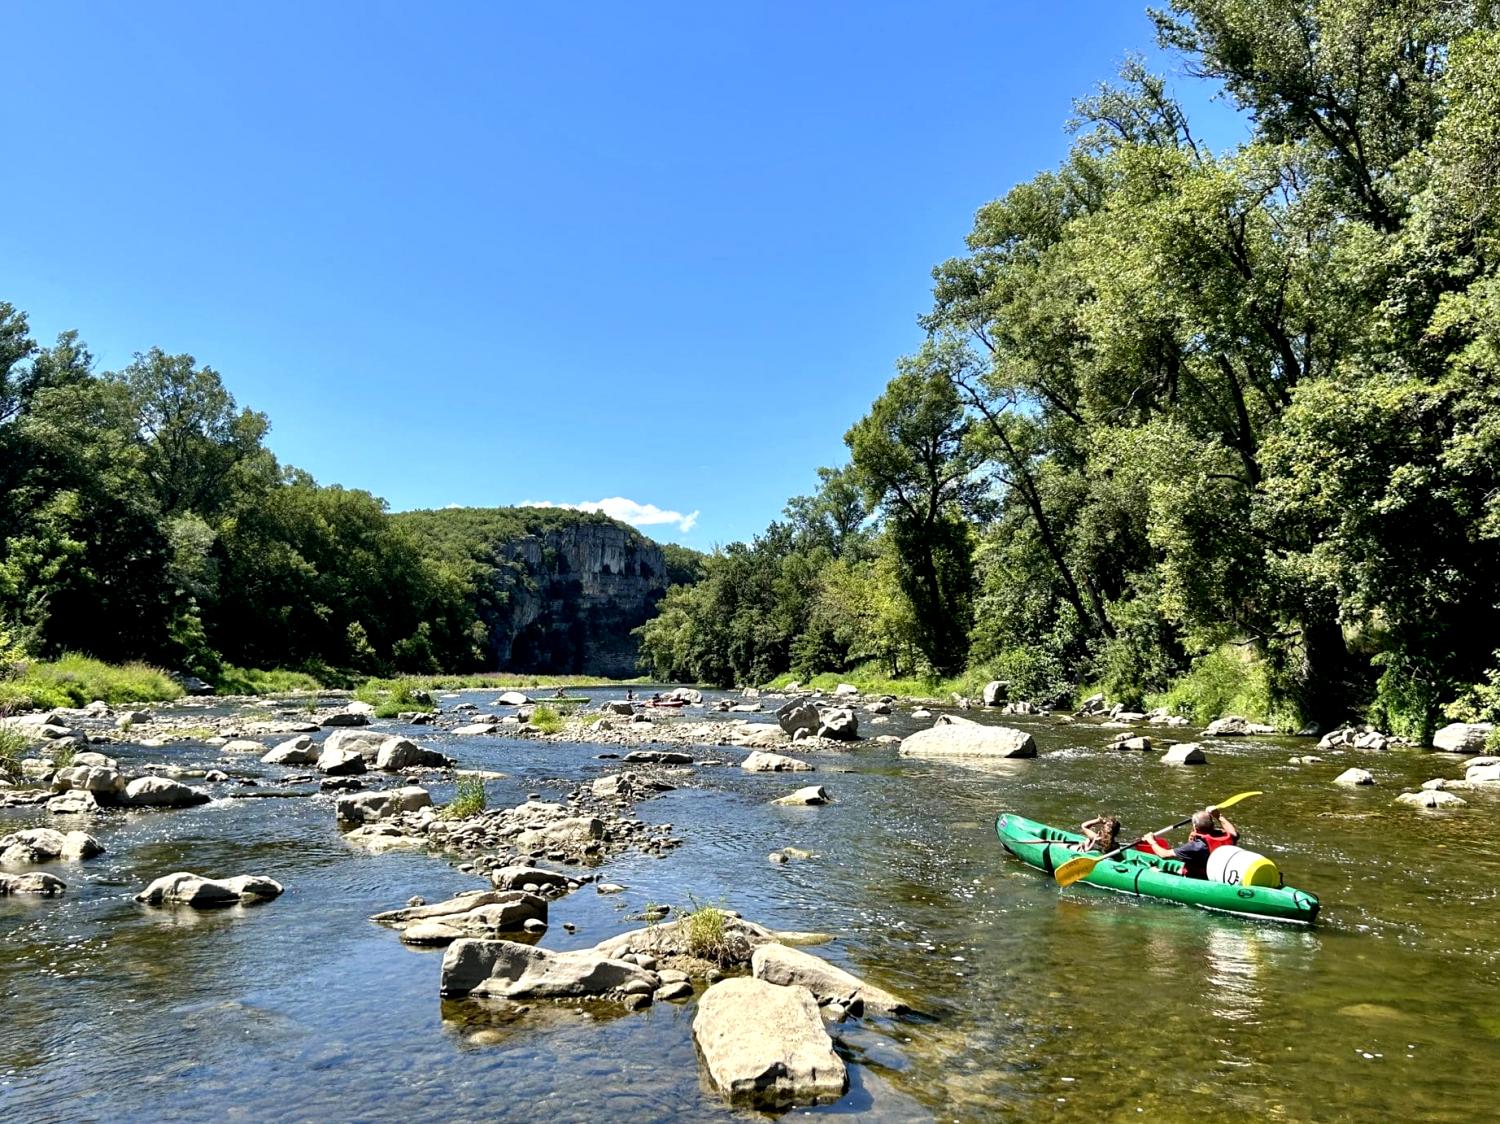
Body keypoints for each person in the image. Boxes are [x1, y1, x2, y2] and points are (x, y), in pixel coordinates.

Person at [1145, 806, 1239, 879]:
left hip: (1199, 877)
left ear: (1195, 827)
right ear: (1213, 825)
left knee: (1152, 870)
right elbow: (1233, 832)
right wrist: (1218, 815)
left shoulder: (1196, 846)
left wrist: (1152, 841)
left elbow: (1164, 855)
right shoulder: (1227, 836)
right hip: (1219, 874)